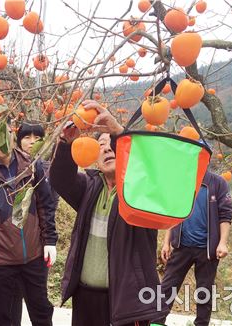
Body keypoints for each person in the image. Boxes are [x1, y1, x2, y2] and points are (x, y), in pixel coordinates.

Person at [49, 99, 164, 326]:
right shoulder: (89, 187)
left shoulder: (140, 192)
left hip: (127, 302)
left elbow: (152, 170)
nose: (108, 148)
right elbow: (60, 179)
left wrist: (119, 132)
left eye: (113, 143)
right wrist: (65, 144)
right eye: (101, 145)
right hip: (85, 297)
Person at [0, 114, 58, 326]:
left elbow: (45, 203)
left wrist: (50, 240)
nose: (4, 142)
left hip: (34, 256)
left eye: (6, 134)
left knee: (42, 312)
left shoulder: (33, 166)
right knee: (4, 318)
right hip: (0, 262)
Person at [155, 170, 232, 326]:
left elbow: (226, 215)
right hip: (181, 245)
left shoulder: (218, 183)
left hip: (207, 249)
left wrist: (222, 242)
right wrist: (166, 242)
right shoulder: (182, 180)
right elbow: (172, 211)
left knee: (204, 292)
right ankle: (156, 322)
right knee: (167, 288)